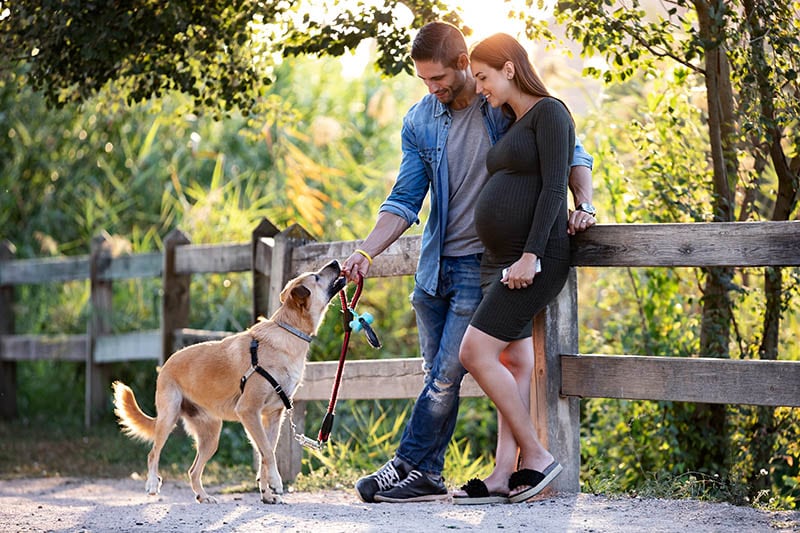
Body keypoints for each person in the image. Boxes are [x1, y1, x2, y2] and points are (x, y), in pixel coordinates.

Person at [341, 22, 596, 504]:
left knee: (449, 372)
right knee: (435, 373)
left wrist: (584, 205)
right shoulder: (420, 120)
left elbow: (568, 152)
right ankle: (441, 475)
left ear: (464, 64)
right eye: (423, 81)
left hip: (490, 262)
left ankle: (409, 465)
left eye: (438, 78)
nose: (432, 89)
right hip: (438, 262)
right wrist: (364, 250)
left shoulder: (498, 101)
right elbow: (404, 198)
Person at [453, 32, 576, 504]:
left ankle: (536, 457)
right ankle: (504, 472)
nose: (479, 86)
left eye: (483, 76)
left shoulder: (550, 112)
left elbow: (551, 189)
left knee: (475, 353)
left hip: (533, 258)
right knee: (513, 361)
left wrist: (531, 254)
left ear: (508, 68)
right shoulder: (511, 120)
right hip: (499, 260)